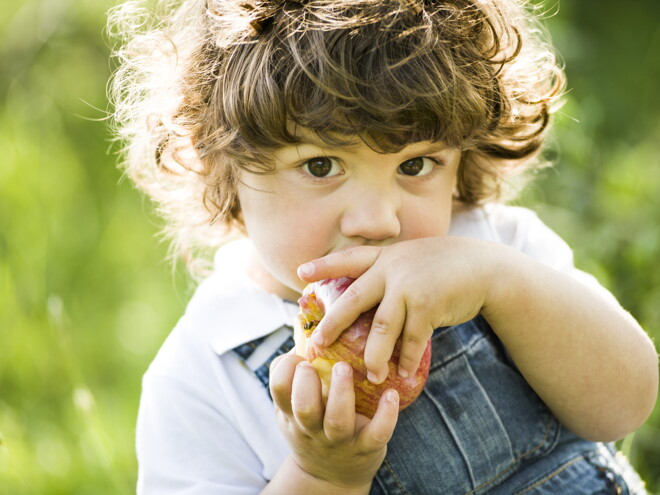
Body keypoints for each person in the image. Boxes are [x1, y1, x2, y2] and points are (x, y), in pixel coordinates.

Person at [107, 0, 658, 493]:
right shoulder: (206, 371)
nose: (376, 221)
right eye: (320, 165)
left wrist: (499, 284)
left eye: (415, 165)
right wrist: (322, 475)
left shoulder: (494, 249)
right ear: (220, 160)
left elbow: (625, 405)